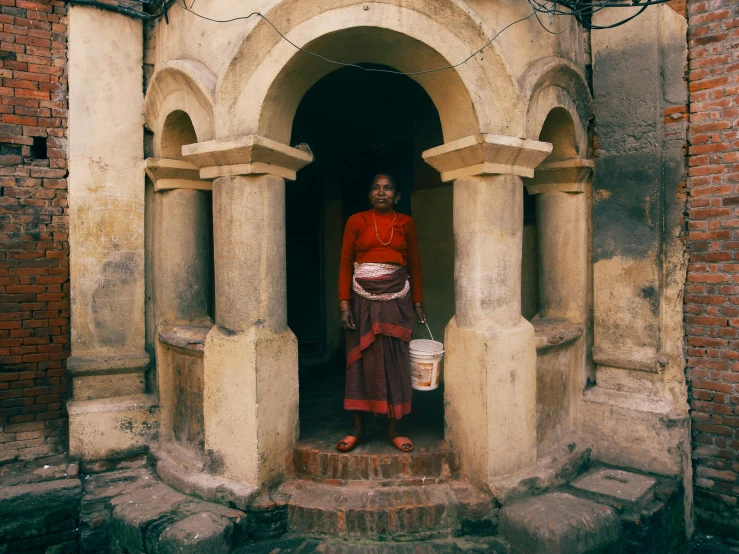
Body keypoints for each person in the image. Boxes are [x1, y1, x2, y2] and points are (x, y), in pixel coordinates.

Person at [336, 173, 426, 453]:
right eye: (376, 187)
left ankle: (394, 430)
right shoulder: (356, 221)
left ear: (397, 196)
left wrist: (418, 303)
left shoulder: (406, 223)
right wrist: (344, 304)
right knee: (360, 362)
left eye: (388, 188)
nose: (381, 192)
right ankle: (358, 429)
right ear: (369, 195)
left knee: (395, 361)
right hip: (361, 300)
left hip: (397, 301)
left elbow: (414, 264)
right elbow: (344, 264)